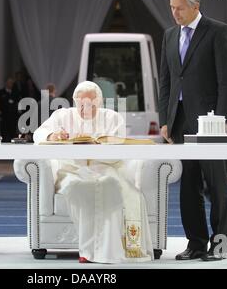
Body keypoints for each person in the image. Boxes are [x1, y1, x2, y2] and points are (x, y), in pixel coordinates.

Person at [33, 81, 153, 263]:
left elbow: (119, 151)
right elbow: (38, 134)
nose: (85, 108)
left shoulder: (112, 118)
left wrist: (99, 147)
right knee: (80, 188)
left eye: (90, 104)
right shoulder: (62, 116)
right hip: (72, 170)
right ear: (75, 101)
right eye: (81, 103)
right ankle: (87, 250)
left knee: (112, 188)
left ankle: (108, 251)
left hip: (105, 168)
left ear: (99, 102)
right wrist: (53, 136)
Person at [159, 0, 227, 261]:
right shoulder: (169, 36)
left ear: (195, 6)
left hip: (211, 124)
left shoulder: (218, 32)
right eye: (172, 8)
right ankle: (196, 243)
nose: (175, 13)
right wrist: (164, 120)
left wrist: (223, 120)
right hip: (179, 122)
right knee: (189, 186)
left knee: (216, 185)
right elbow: (166, 83)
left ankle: (220, 245)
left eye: (179, 8)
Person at [0, 77, 20, 142]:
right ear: (6, 83)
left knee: (13, 134)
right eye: (9, 82)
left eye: (12, 83)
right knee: (4, 134)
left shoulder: (16, 93)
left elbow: (18, 104)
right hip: (4, 117)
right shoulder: (0, 92)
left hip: (13, 117)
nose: (10, 84)